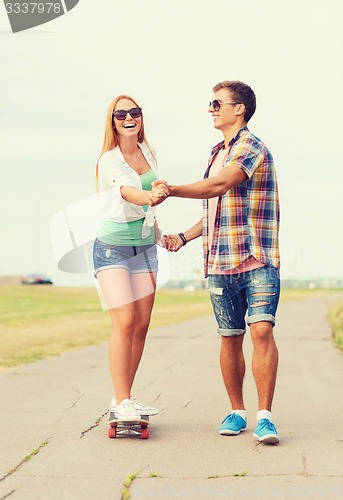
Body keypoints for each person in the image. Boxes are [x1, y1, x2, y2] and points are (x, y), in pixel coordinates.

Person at [157, 81, 281, 444]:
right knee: (230, 337)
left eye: (217, 103)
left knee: (261, 330)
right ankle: (237, 411)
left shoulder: (250, 146)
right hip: (219, 261)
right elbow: (213, 208)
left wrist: (171, 189)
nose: (211, 109)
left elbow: (218, 186)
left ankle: (265, 417)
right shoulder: (215, 151)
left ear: (239, 109)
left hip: (256, 256)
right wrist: (183, 236)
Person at [93, 94, 169, 424]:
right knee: (123, 322)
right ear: (112, 122)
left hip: (145, 248)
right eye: (120, 113)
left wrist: (159, 233)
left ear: (140, 117)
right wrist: (150, 195)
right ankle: (122, 399)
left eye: (134, 112)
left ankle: (123, 397)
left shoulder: (148, 152)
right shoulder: (109, 160)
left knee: (141, 325)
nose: (128, 117)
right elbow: (129, 192)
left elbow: (146, 206)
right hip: (112, 248)